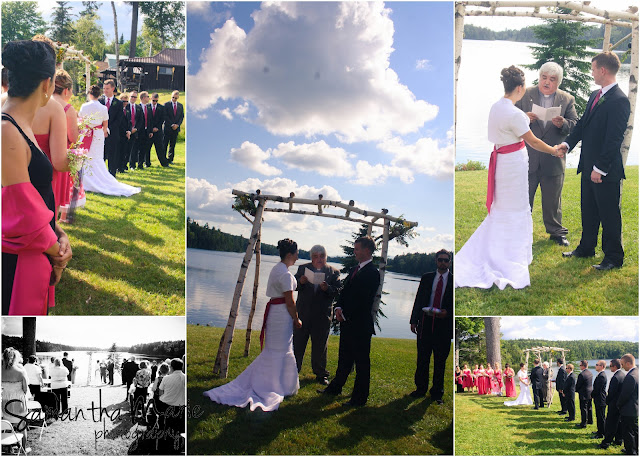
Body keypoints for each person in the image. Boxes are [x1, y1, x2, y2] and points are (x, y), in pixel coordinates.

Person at [455, 65, 561, 290]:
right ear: (521, 88)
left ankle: (499, 249)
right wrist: (553, 151)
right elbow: (532, 141)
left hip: (502, 161)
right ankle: (509, 256)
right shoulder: (514, 114)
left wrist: (523, 117)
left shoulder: (497, 107)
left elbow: (508, 125)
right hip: (513, 164)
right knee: (516, 207)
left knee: (502, 206)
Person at [2, 40, 72, 315]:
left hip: (38, 245)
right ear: (47, 84)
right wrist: (58, 251)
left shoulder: (21, 125)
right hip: (17, 258)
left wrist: (60, 232)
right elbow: (22, 208)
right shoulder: (7, 130)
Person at [204, 239, 302, 411]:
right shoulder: (285, 274)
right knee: (279, 350)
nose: (298, 256)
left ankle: (280, 383)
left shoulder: (277, 268)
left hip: (274, 313)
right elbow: (290, 302)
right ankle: (273, 385)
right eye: (296, 253)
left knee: (276, 349)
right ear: (289, 254)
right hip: (281, 315)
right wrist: (297, 318)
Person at [558, 52, 631, 270]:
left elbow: (614, 138)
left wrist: (600, 168)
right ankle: (586, 248)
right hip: (588, 165)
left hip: (605, 170)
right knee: (588, 209)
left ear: (603, 70)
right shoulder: (594, 95)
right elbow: (582, 126)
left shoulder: (620, 100)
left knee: (609, 214)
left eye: (593, 68)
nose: (591, 72)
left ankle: (613, 258)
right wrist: (567, 144)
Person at [514, 62, 578, 246]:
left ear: (558, 82)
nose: (547, 82)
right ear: (539, 77)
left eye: (552, 79)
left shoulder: (567, 99)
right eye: (544, 77)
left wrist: (563, 124)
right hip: (527, 157)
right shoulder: (525, 94)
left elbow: (575, 124)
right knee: (523, 199)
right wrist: (524, 117)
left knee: (552, 200)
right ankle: (520, 232)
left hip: (553, 158)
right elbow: (511, 116)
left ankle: (557, 232)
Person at [318, 236, 380, 407]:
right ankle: (335, 389)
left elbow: (364, 300)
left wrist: (346, 314)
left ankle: (359, 399)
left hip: (360, 325)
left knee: (361, 363)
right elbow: (345, 293)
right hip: (347, 321)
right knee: (344, 358)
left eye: (357, 248)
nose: (355, 251)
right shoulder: (354, 269)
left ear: (367, 250)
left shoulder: (373, 273)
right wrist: (338, 308)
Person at [79, 85, 141, 197]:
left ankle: (88, 180)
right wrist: (103, 131)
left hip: (87, 133)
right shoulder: (103, 108)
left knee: (88, 157)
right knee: (97, 157)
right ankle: (100, 179)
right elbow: (105, 124)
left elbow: (80, 120)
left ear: (89, 94)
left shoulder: (84, 106)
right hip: (98, 134)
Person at [408, 249, 453, 403]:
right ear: (436, 260)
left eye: (446, 260)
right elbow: (419, 299)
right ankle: (420, 389)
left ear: (450, 262)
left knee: (440, 362)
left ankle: (437, 394)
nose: (443, 262)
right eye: (440, 259)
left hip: (444, 327)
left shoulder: (454, 281)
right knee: (422, 360)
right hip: (425, 324)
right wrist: (413, 320)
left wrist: (447, 313)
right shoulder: (427, 278)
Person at [293, 244, 340, 385]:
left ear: (326, 257)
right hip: (303, 313)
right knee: (298, 343)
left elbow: (337, 291)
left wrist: (327, 288)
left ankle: (321, 374)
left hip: (322, 315)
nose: (319, 259)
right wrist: (300, 282)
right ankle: (293, 371)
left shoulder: (333, 272)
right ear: (311, 258)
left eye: (322, 256)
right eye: (315, 256)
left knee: (320, 346)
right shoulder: (303, 268)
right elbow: (293, 284)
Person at [51, 69, 78, 214]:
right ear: (66, 90)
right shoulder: (68, 109)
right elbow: (73, 138)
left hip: (39, 151)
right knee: (53, 197)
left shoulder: (41, 103)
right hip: (59, 155)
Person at [1, 348, 29, 447]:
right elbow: (25, 389)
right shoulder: (21, 372)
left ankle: (9, 448)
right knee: (22, 427)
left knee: (8, 426)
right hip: (19, 404)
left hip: (5, 404)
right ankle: (24, 448)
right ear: (15, 358)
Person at [98, 79, 124, 176]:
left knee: (113, 155)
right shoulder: (99, 101)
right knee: (101, 155)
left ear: (113, 88)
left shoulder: (119, 103)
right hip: (100, 133)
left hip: (113, 133)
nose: (105, 90)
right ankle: (101, 175)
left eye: (107, 88)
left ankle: (112, 175)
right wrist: (102, 129)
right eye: (104, 88)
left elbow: (119, 119)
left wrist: (107, 129)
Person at [599, 359, 625, 449]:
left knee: (611, 424)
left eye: (610, 366)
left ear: (614, 366)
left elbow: (611, 392)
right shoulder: (622, 375)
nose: (609, 368)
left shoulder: (616, 377)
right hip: (620, 404)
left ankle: (606, 442)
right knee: (618, 422)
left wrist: (607, 401)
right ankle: (618, 440)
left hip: (614, 404)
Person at [617, 354, 638, 455]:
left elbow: (625, 395)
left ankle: (630, 451)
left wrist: (619, 404)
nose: (621, 366)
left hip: (628, 409)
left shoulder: (630, 376)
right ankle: (635, 449)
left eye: (622, 364)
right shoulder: (637, 372)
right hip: (635, 407)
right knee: (634, 430)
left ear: (628, 363)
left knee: (628, 431)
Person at [159, 358, 186, 433]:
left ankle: (163, 430)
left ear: (171, 367)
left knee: (166, 424)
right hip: (181, 406)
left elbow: (160, 392)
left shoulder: (166, 378)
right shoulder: (185, 378)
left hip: (167, 405)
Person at [124, 90, 143, 171]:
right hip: (126, 131)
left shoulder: (138, 108)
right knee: (125, 149)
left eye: (135, 97)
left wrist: (136, 129)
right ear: (129, 97)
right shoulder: (125, 106)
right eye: (132, 96)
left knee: (133, 149)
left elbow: (140, 120)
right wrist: (128, 129)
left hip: (134, 131)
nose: (133, 98)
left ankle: (132, 165)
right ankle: (124, 165)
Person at [163, 90, 183, 163]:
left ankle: (170, 159)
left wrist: (177, 125)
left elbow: (181, 116)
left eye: (176, 98)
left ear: (178, 97)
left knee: (172, 144)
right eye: (173, 97)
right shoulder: (166, 105)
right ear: (171, 96)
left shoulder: (180, 106)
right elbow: (165, 116)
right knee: (165, 144)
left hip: (176, 129)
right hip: (167, 128)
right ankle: (163, 159)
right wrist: (172, 124)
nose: (174, 99)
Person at [592, 360, 608, 440]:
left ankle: (601, 433)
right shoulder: (600, 374)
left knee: (601, 417)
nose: (595, 366)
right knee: (599, 416)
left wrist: (591, 395)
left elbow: (597, 389)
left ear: (602, 366)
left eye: (597, 364)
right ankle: (600, 431)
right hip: (598, 399)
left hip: (600, 399)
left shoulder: (602, 375)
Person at [576, 360, 594, 428]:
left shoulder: (582, 374)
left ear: (583, 366)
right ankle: (590, 420)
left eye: (580, 365)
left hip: (583, 393)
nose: (579, 366)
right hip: (589, 392)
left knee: (583, 408)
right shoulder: (590, 373)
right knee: (589, 407)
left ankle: (583, 423)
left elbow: (578, 384)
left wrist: (576, 390)